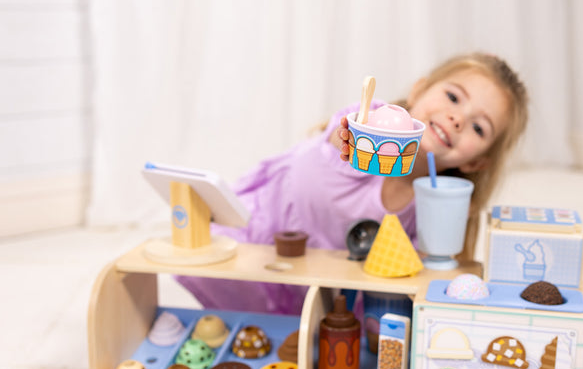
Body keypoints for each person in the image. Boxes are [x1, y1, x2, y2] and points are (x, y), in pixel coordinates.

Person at [176, 52, 529, 315]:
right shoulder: (369, 124)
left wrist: (446, 222)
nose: (456, 119)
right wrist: (375, 126)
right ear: (418, 91)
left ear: (476, 161)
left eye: (478, 127)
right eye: (453, 97)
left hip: (326, 276)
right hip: (267, 230)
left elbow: (414, 274)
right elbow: (343, 140)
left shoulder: (433, 202)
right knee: (214, 260)